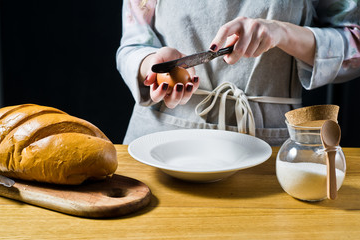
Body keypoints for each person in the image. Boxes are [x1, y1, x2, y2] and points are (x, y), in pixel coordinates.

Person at [117, 0, 360, 146]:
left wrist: (283, 32)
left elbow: (354, 45)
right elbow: (132, 45)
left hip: (268, 148)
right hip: (157, 142)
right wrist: (150, 64)